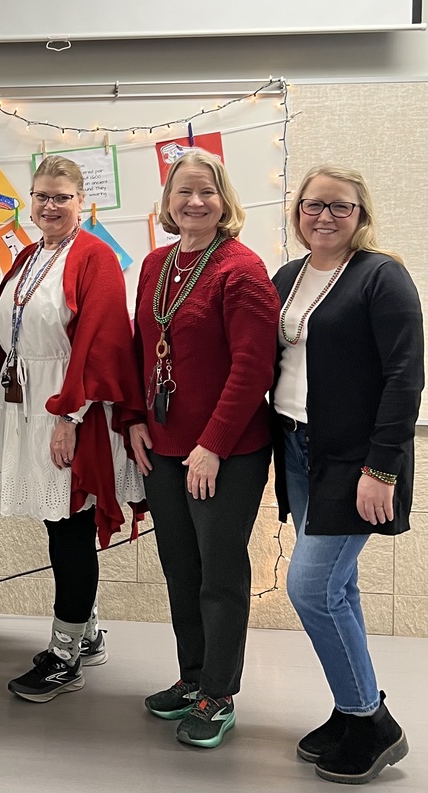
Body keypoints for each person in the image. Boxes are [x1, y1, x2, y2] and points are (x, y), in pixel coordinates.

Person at [273, 166, 420, 784]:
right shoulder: (288, 277)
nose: (324, 216)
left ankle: (372, 722)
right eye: (313, 205)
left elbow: (404, 377)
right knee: (340, 589)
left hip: (354, 459)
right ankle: (353, 707)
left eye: (340, 206)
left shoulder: (381, 276)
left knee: (310, 587)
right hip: (298, 447)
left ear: (361, 215)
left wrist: (381, 470)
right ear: (298, 211)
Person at [128, 150, 278, 748]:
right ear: (167, 202)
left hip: (228, 452)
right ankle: (192, 678)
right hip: (164, 448)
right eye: (184, 192)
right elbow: (143, 347)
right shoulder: (155, 264)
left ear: (225, 201)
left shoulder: (241, 269)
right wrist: (136, 418)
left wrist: (212, 445)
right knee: (180, 569)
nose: (195, 202)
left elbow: (252, 367)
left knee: (219, 574)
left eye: (207, 192)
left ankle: (219, 692)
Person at [0, 155, 146, 703]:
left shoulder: (95, 256)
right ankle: (89, 631)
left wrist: (70, 420)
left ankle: (63, 654)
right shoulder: (30, 255)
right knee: (58, 525)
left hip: (68, 410)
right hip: (25, 404)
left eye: (61, 197)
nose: (49, 206)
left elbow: (100, 342)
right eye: (41, 196)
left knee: (70, 528)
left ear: (82, 202)